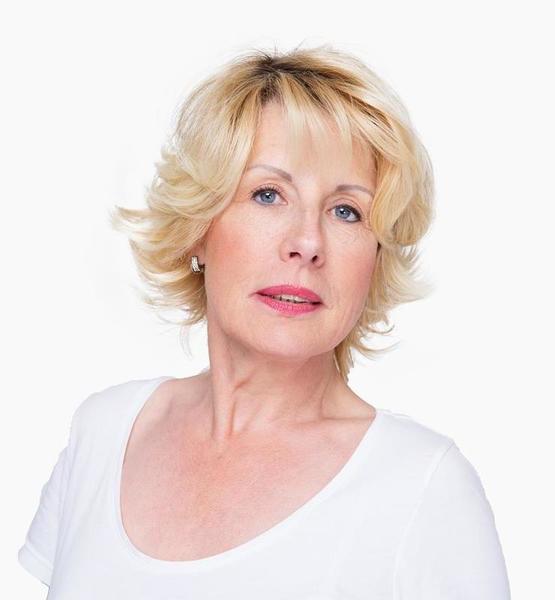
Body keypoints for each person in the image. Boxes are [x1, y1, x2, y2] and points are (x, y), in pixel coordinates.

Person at [17, 44, 512, 599]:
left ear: (375, 256)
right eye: (268, 194)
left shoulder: (424, 487)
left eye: (346, 210)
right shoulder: (106, 431)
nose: (307, 242)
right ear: (198, 228)